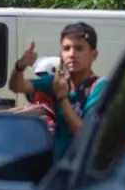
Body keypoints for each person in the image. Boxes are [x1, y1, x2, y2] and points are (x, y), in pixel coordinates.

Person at [9, 23, 107, 161]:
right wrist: (20, 67)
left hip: (81, 169)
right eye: (67, 48)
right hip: (58, 167)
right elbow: (17, 86)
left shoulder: (99, 87)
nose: (72, 54)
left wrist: (62, 97)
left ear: (93, 55)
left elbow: (83, 134)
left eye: (79, 48)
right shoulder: (55, 82)